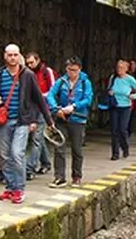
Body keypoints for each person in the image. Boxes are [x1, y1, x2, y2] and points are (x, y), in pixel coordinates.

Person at [0, 44, 54, 205]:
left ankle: (19, 189)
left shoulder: (28, 75)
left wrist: (48, 120)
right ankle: (11, 186)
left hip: (21, 121)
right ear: (5, 56)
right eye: (9, 55)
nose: (12, 58)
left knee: (17, 153)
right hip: (3, 121)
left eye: (15, 55)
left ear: (19, 56)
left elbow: (38, 98)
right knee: (4, 156)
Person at [47, 57, 92, 188]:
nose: (72, 73)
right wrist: (56, 108)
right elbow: (51, 95)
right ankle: (59, 177)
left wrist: (74, 106)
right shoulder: (61, 81)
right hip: (62, 118)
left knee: (77, 149)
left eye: (75, 70)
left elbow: (88, 99)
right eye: (69, 69)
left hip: (78, 119)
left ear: (80, 69)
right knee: (59, 147)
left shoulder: (85, 83)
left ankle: (76, 176)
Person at [25, 52, 54, 180]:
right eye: (28, 63)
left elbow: (53, 90)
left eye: (32, 62)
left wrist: (39, 96)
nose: (30, 65)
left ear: (38, 60)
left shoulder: (47, 72)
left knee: (36, 139)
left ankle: (29, 168)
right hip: (32, 109)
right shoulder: (27, 73)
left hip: (43, 108)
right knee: (39, 138)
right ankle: (46, 162)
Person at [107, 59, 136, 160]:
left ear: (126, 69)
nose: (119, 69)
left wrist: (134, 95)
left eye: (122, 68)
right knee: (114, 130)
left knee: (122, 129)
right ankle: (115, 153)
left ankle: (125, 147)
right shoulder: (113, 78)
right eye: (118, 67)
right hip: (115, 106)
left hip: (126, 106)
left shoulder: (130, 79)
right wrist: (110, 92)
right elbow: (109, 88)